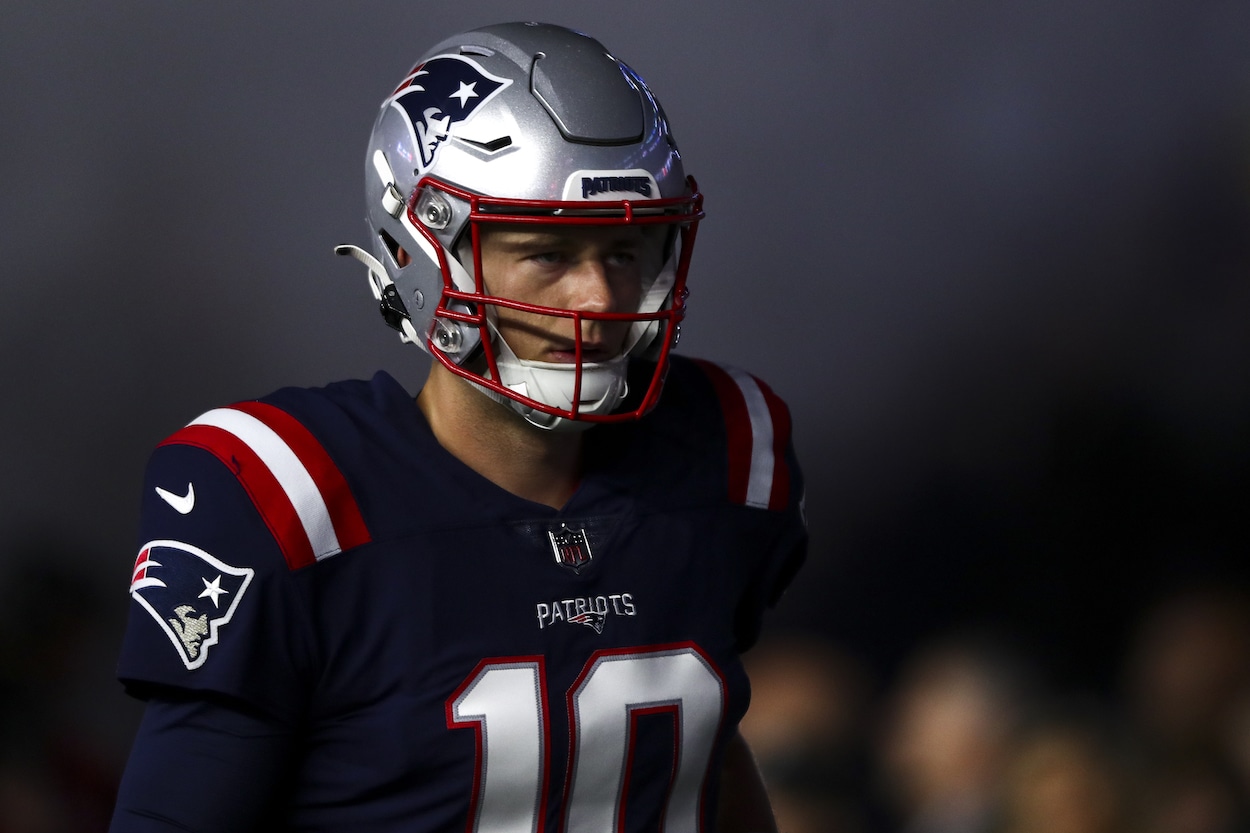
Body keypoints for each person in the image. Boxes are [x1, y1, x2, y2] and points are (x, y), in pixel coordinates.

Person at [108, 21, 806, 833]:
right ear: (423, 252)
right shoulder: (293, 501)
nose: (599, 299)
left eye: (627, 251)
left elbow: (702, 762)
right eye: (548, 254)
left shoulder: (726, 452)